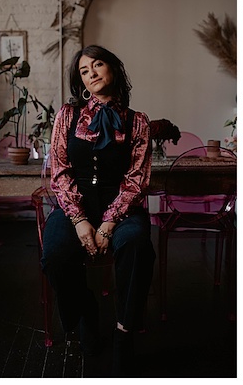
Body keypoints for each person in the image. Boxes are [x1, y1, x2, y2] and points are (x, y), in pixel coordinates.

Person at [41, 45, 154, 376]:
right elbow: (60, 172)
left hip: (122, 207)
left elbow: (136, 180)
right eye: (83, 71)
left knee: (137, 247)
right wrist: (78, 220)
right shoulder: (67, 115)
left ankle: (124, 331)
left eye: (97, 64)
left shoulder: (137, 122)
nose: (90, 72)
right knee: (56, 254)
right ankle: (85, 311)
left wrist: (107, 224)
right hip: (75, 204)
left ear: (113, 69)